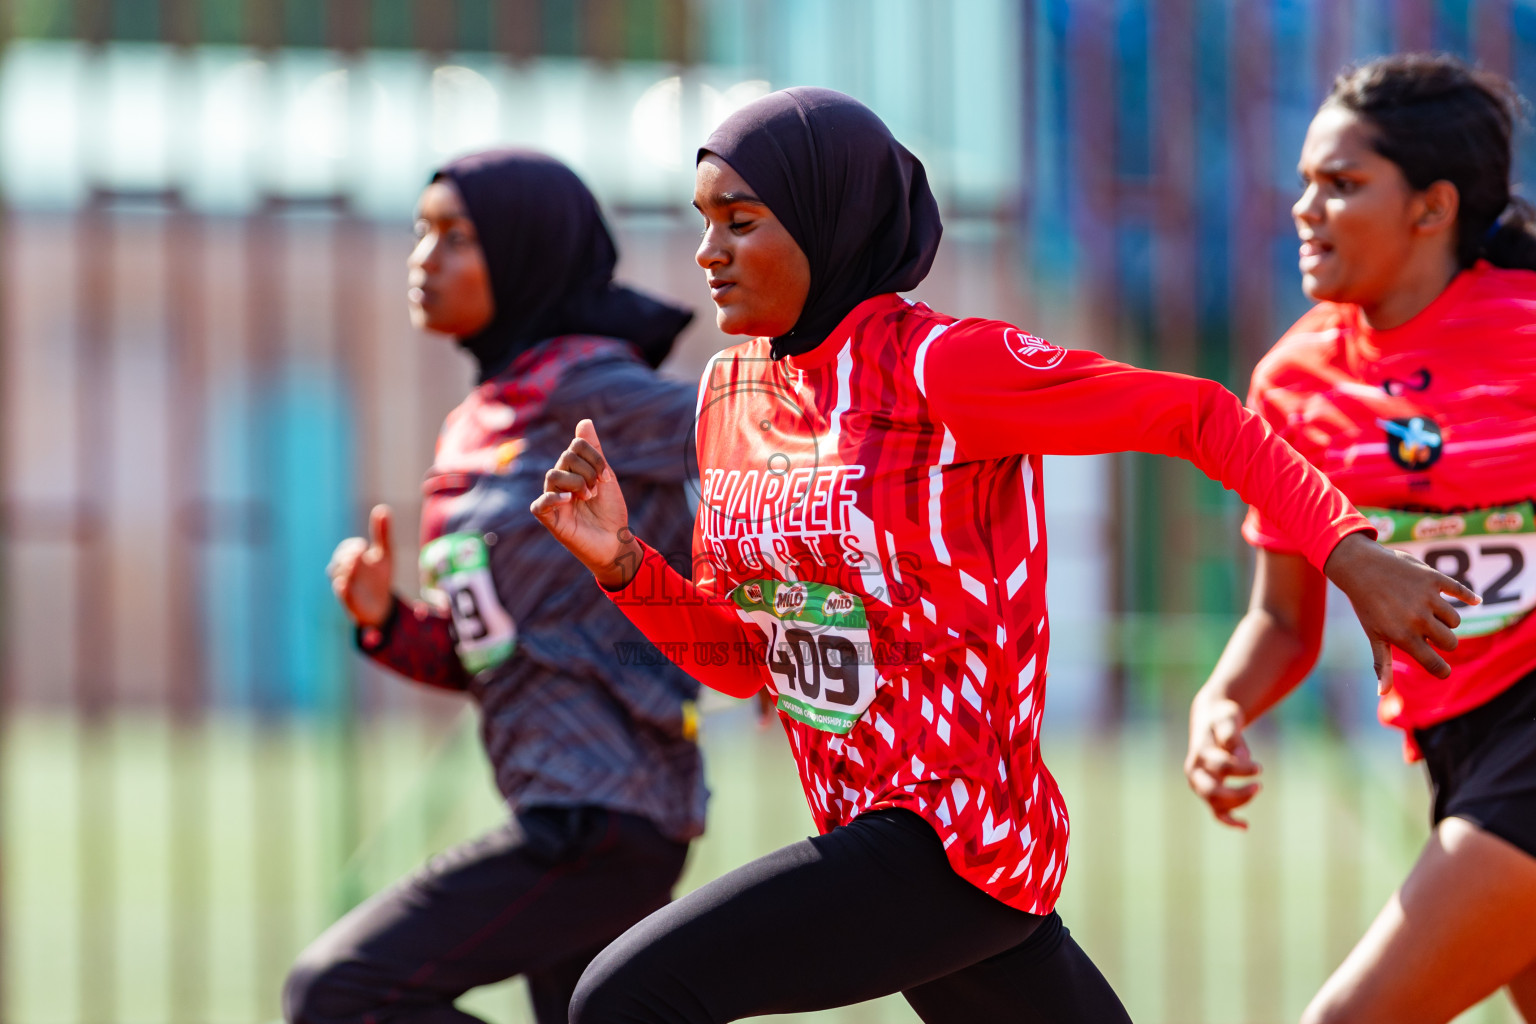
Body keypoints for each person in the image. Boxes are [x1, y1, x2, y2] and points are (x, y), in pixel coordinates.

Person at [530, 87, 1473, 1024]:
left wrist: (1348, 553)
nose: (708, 252)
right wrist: (622, 563)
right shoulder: (726, 394)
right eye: (703, 221)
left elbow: (1200, 416)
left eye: (740, 221)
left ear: (829, 220)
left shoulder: (944, 367)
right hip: (872, 839)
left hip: (952, 843)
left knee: (624, 1001)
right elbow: (745, 666)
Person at [283, 150, 709, 1024]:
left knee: (341, 994)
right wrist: (385, 622)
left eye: (456, 237)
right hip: (559, 803)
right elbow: (487, 652)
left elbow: (761, 441)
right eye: (420, 232)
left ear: (527, 252)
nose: (423, 259)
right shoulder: (479, 418)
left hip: (610, 813)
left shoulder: (591, 386)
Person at [1184, 54, 1536, 1024]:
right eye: (1304, 182)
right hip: (1456, 746)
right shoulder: (1292, 381)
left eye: (1341, 186)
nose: (1305, 208)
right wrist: (1221, 703)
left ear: (1433, 207)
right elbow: (1283, 621)